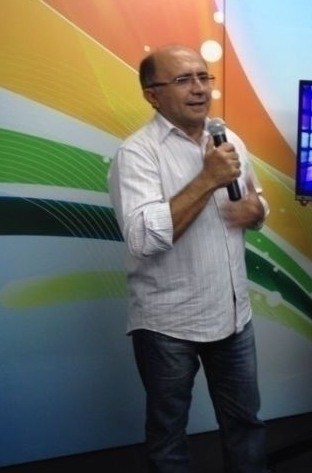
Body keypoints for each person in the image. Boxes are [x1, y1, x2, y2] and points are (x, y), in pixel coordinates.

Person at [108, 45, 270, 473]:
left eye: (203, 77)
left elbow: (256, 202)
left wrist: (256, 212)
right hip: (168, 324)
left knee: (246, 425)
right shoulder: (137, 154)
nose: (199, 89)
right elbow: (143, 238)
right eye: (183, 80)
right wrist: (206, 179)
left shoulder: (228, 139)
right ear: (152, 95)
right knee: (169, 437)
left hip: (233, 315)